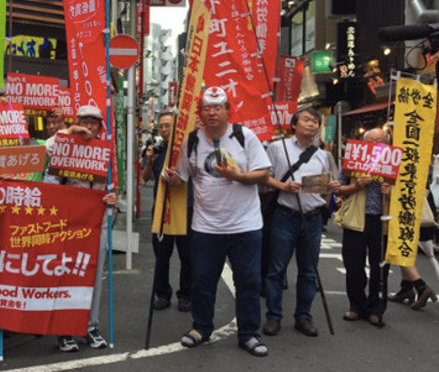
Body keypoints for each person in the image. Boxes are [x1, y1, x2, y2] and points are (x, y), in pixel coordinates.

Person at [163, 87, 271, 357]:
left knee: (248, 281)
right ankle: (201, 327)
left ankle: (248, 333)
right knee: (202, 280)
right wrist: (170, 177)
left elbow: (263, 173)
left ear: (227, 110)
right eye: (207, 108)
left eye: (217, 107)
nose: (212, 113)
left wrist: (237, 176)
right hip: (206, 227)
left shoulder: (245, 137)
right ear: (201, 112)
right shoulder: (192, 140)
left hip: (246, 226)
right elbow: (183, 178)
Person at [261, 108, 341, 337]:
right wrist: (284, 187)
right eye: (306, 120)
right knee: (276, 270)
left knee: (308, 271)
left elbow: (327, 184)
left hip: (313, 219)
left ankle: (303, 317)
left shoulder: (322, 154)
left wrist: (330, 192)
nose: (312, 124)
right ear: (294, 125)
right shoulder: (278, 148)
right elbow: (265, 177)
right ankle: (273, 316)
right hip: (284, 217)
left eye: (316, 121)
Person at [44, 105, 117, 352]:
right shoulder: (63, 144)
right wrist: (68, 132)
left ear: (100, 126)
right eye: (84, 121)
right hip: (67, 224)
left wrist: (112, 197)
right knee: (65, 276)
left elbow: (113, 186)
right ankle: (64, 330)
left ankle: (90, 326)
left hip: (97, 223)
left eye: (93, 122)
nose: (88, 126)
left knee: (94, 277)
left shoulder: (106, 152)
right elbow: (45, 149)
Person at [338, 127, 390, 327]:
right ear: (364, 143)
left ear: (387, 144)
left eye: (381, 141)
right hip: (356, 219)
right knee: (353, 264)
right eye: (372, 141)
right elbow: (339, 189)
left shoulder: (394, 163)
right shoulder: (352, 160)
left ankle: (376, 309)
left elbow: (405, 196)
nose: (377, 145)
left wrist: (390, 192)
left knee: (381, 266)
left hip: (382, 220)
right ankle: (356, 306)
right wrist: (356, 185)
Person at [141, 111, 192, 313]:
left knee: (188, 257)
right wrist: (151, 161)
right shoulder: (156, 148)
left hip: (185, 210)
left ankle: (186, 295)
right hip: (161, 210)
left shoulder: (187, 149)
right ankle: (162, 294)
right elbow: (146, 177)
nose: (163, 129)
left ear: (177, 127)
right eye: (161, 126)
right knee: (161, 256)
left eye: (167, 125)